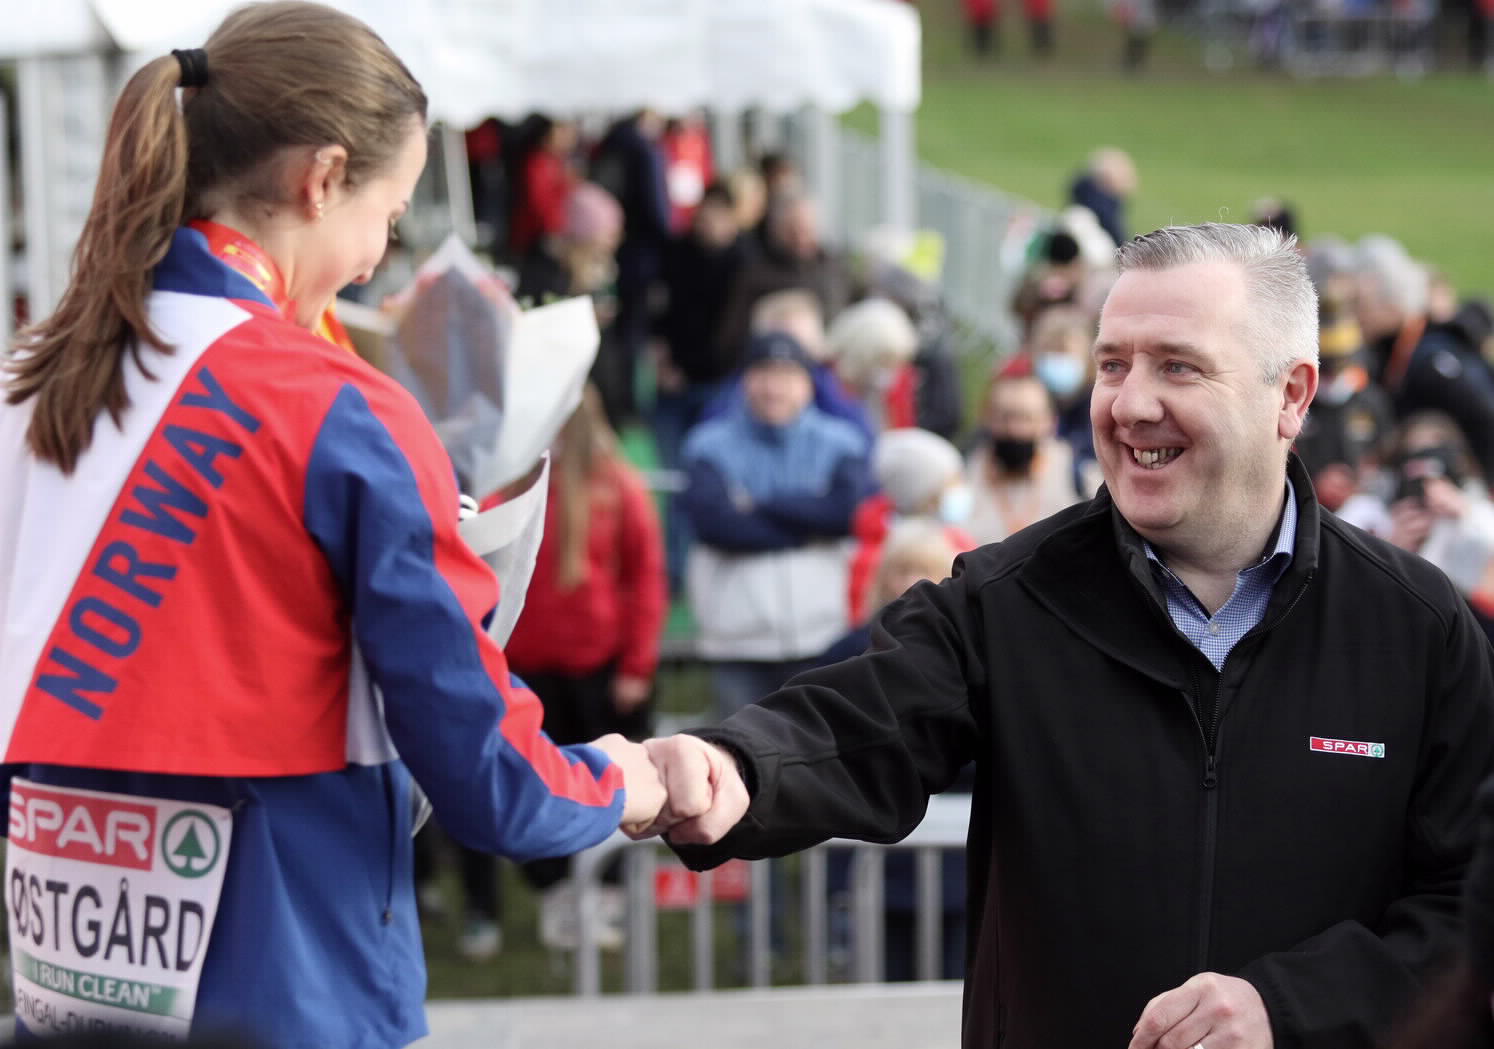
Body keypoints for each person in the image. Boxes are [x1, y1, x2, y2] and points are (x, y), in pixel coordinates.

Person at [639, 222, 1494, 1049]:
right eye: (1111, 364)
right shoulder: (1011, 602)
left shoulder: (1418, 629)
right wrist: (732, 765)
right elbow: (856, 725)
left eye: (1179, 367)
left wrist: (1288, 1009)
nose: (1130, 403)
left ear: (1292, 396)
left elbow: (1465, 913)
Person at [0, 5, 667, 1046]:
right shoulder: (338, 405)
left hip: (59, 968)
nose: (370, 265)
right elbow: (485, 765)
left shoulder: (32, 378)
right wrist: (620, 779)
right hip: (294, 971)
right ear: (320, 179)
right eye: (388, 219)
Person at [681, 330, 871, 719]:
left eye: (786, 376)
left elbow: (845, 514)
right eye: (763, 373)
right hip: (738, 637)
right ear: (745, 379)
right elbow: (717, 525)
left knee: (816, 756)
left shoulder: (841, 442)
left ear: (807, 383)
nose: (774, 388)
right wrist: (808, 522)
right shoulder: (708, 444)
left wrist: (759, 505)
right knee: (735, 757)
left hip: (822, 634)